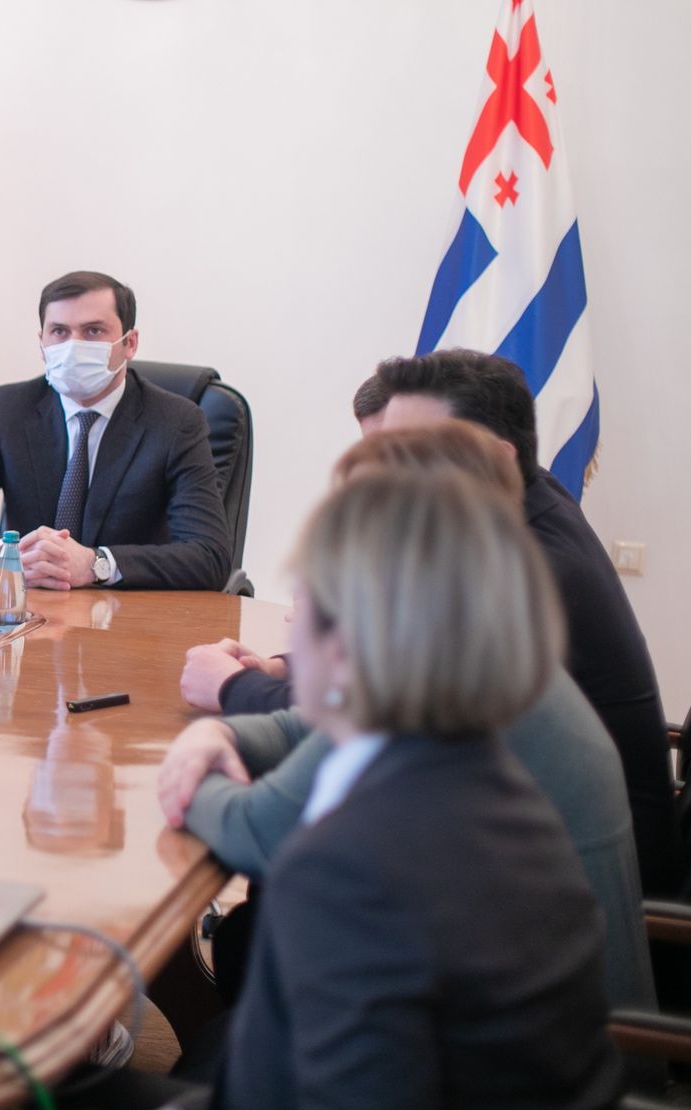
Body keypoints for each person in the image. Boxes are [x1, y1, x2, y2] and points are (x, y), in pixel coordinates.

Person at [76, 469, 621, 1110]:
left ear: (345, 646)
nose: (287, 622)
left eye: (300, 603)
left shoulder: (349, 862)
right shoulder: (485, 773)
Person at [160, 421, 654, 1012]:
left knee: (269, 931)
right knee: (261, 933)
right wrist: (220, 732)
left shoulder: (443, 690)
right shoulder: (480, 641)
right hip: (516, 998)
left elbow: (255, 832)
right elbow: (309, 729)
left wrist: (190, 768)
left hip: (523, 1040)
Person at [181, 348, 679, 889]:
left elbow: (265, 824)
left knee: (293, 890)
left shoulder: (515, 590)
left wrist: (226, 700)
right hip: (509, 864)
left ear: (494, 461)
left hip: (550, 894)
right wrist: (269, 684)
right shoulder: (520, 514)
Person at [0, 271, 230, 591]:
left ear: (129, 343)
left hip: (126, 611)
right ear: (42, 343)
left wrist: (96, 564)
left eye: (93, 331)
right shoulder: (5, 411)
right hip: (30, 609)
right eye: (59, 331)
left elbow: (209, 555)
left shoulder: (176, 422)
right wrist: (7, 558)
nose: (73, 345)